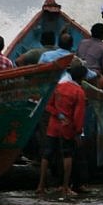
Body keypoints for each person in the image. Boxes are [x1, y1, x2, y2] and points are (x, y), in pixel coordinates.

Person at [36, 63, 88, 196]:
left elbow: (48, 105)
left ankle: (41, 186)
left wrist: (59, 115)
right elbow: (78, 116)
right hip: (68, 127)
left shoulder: (59, 87)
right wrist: (78, 133)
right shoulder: (79, 92)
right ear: (82, 78)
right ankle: (65, 187)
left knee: (47, 154)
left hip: (53, 125)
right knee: (67, 154)